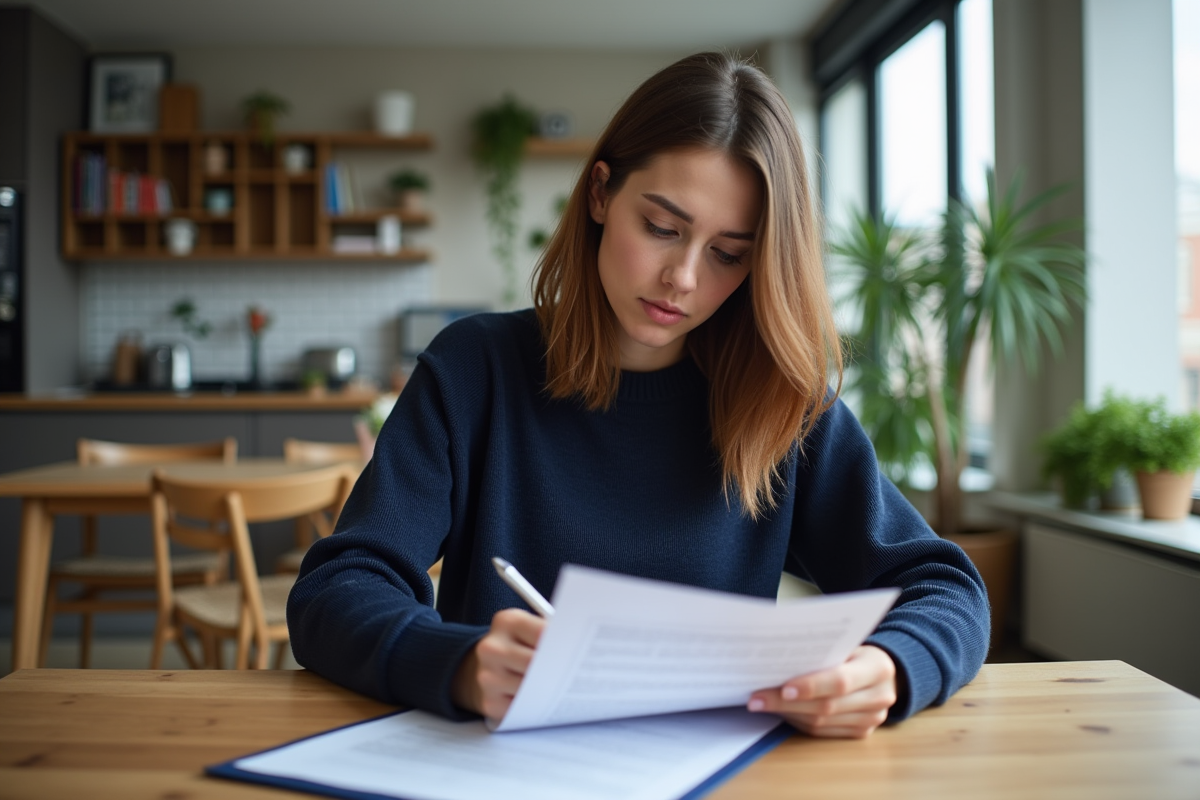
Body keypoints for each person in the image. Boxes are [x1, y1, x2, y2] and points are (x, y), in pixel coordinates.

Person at [288, 51, 989, 739]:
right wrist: (460, 664)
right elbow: (338, 587)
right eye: (661, 228)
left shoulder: (781, 405)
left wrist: (891, 667)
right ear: (600, 194)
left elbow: (946, 589)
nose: (683, 277)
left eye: (728, 254)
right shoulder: (475, 369)